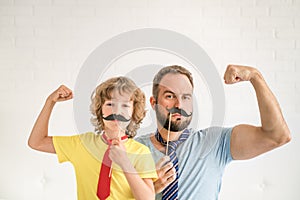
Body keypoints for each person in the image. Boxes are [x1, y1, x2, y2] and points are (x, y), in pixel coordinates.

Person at [135, 64, 291, 200]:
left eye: (186, 97)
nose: (179, 104)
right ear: (154, 103)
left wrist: (255, 77)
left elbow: (277, 136)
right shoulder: (132, 150)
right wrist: (146, 194)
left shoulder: (215, 142)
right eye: (170, 96)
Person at [28, 76, 157, 200]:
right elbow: (36, 142)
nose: (117, 112)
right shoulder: (82, 144)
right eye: (110, 104)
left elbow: (147, 198)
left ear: (134, 111)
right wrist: (50, 102)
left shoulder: (141, 152)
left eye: (125, 106)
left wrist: (125, 162)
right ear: (100, 110)